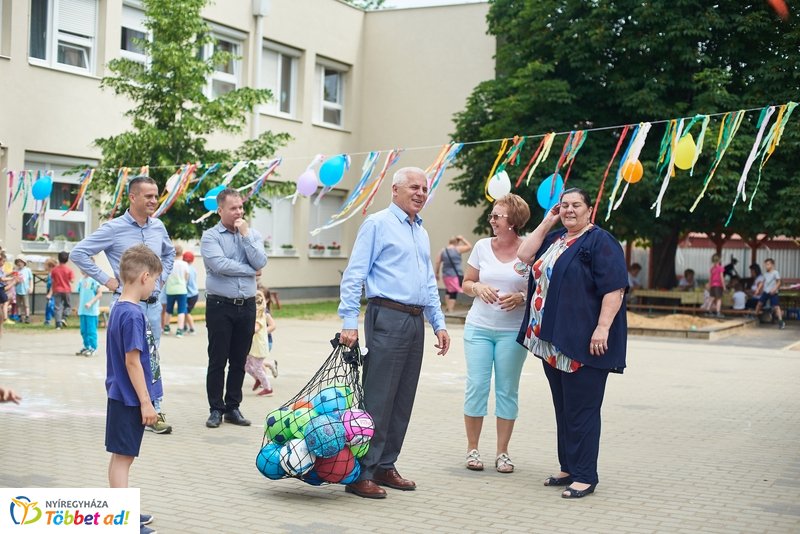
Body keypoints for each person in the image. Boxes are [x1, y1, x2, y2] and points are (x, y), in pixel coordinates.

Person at [338, 166, 450, 499]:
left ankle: (386, 465)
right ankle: (362, 473)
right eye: (413, 187)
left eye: (425, 188)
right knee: (379, 398)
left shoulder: (421, 231)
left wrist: (439, 322)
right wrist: (348, 321)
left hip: (415, 321)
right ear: (395, 190)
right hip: (386, 315)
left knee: (402, 399)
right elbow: (354, 274)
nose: (420, 193)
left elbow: (429, 284)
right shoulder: (377, 224)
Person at [516, 187, 628, 499]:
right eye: (564, 206)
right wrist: (548, 221)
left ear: (590, 209)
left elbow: (614, 288)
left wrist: (602, 328)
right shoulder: (557, 239)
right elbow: (525, 256)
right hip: (553, 343)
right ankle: (568, 467)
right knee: (564, 408)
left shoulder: (600, 242)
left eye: (576, 205)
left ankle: (585, 476)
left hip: (584, 343)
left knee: (583, 410)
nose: (569, 210)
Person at [70, 175, 175, 435]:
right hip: (128, 306)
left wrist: (160, 281)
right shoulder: (114, 228)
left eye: (155, 196)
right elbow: (78, 253)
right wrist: (107, 280)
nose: (154, 200)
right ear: (132, 197)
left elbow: (169, 253)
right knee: (129, 359)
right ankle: (129, 408)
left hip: (152, 305)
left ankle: (154, 408)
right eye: (148, 196)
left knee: (151, 358)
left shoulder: (158, 227)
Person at [460, 194, 530, 474]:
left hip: (512, 332)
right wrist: (477, 289)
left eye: (497, 216)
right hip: (478, 327)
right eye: (491, 215)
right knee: (477, 385)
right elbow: (466, 282)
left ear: (512, 221)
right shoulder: (481, 246)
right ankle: (472, 448)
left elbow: (541, 288)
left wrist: (522, 297)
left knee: (507, 390)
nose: (491, 220)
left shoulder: (528, 249)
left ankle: (503, 453)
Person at [103, 245, 162, 534]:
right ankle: (121, 521)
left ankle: (123, 513)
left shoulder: (120, 308)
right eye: (155, 280)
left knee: (121, 456)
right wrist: (146, 402)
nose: (155, 286)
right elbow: (132, 362)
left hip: (122, 396)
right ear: (144, 277)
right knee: (123, 458)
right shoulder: (133, 315)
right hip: (128, 398)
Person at [201, 188, 267, 429]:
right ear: (220, 210)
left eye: (240, 207)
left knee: (239, 360)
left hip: (247, 306)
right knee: (218, 359)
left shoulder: (251, 234)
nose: (239, 211)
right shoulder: (211, 237)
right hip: (220, 305)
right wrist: (250, 271)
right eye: (233, 208)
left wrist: (246, 235)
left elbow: (261, 261)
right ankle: (215, 409)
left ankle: (233, 408)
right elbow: (218, 265)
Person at [244, 291, 277, 397]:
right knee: (246, 365)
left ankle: (268, 388)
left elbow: (255, 329)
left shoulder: (260, 316)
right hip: (252, 346)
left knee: (258, 367)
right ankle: (258, 379)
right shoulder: (254, 315)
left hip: (259, 347)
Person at [434, 235, 473, 313]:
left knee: (449, 290)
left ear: (449, 242)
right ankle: (451, 310)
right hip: (456, 274)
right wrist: (462, 239)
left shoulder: (443, 250)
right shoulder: (458, 249)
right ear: (457, 242)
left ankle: (448, 307)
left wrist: (437, 273)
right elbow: (469, 246)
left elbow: (437, 262)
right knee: (453, 291)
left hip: (446, 274)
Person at [76, 266, 104, 356]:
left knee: (91, 331)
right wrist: (77, 307)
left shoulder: (94, 280)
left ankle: (93, 348)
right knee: (83, 330)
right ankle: (87, 346)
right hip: (82, 310)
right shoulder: (81, 281)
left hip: (91, 311)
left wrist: (90, 302)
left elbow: (99, 293)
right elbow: (80, 294)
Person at [163, 245, 189, 338]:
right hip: (182, 289)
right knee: (181, 310)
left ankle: (166, 327)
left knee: (168, 309)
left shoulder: (170, 264)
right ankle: (179, 330)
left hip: (170, 290)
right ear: (182, 253)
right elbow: (186, 276)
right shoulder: (184, 264)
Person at [754, 258, 785, 329]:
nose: (766, 266)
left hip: (773, 292)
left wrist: (774, 289)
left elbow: (779, 282)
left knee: (776, 307)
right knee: (759, 304)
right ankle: (755, 317)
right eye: (765, 265)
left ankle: (781, 322)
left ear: (772, 265)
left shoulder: (775, 272)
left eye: (768, 264)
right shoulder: (765, 274)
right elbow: (762, 282)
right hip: (766, 292)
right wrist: (758, 289)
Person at [50, 251, 75, 329]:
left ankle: (58, 324)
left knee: (57, 307)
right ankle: (64, 318)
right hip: (66, 290)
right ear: (67, 259)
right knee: (68, 306)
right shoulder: (69, 270)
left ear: (58, 259)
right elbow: (72, 280)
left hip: (57, 290)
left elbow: (52, 280)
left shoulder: (54, 270)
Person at [183, 251, 199, 335]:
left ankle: (192, 328)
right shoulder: (193, 269)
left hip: (189, 294)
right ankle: (184, 326)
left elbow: (186, 282)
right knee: (185, 310)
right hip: (195, 294)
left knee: (186, 311)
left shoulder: (186, 269)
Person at [13, 257, 33, 323]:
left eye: (21, 262)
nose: (19, 263)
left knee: (26, 305)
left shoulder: (28, 270)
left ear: (24, 263)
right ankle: (20, 317)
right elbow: (14, 279)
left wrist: (31, 287)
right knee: (18, 305)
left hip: (25, 290)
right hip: (18, 290)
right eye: (18, 262)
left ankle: (27, 317)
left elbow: (31, 279)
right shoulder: (16, 271)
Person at [708, 254, 726, 318]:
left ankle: (708, 311)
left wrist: (709, 285)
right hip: (718, 285)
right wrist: (724, 287)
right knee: (719, 299)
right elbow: (722, 278)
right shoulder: (720, 268)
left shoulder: (712, 269)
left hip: (712, 285)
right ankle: (718, 312)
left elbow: (710, 278)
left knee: (712, 298)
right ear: (719, 260)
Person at [43, 258, 58, 326]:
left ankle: (54, 318)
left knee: (50, 306)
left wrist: (50, 293)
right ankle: (47, 320)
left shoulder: (53, 274)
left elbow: (53, 284)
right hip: (49, 291)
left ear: (50, 266)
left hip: (52, 292)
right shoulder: (50, 273)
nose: (44, 266)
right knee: (48, 305)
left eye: (45, 265)